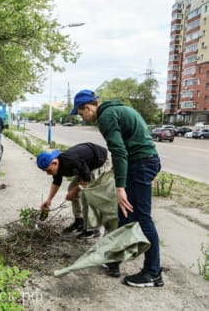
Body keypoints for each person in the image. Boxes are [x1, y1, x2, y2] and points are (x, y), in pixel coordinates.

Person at [71, 89, 164, 287]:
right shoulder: (116, 110)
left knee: (142, 218)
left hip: (140, 164)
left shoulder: (106, 116)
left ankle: (153, 273)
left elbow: (119, 152)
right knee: (123, 215)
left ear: (88, 107)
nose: (83, 118)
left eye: (81, 114)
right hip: (142, 162)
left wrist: (120, 187)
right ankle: (113, 260)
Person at [36, 143, 120, 277]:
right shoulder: (58, 166)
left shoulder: (71, 161)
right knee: (72, 189)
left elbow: (86, 179)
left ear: (55, 162)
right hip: (86, 166)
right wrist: (49, 200)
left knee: (88, 194)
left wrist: (75, 191)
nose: (48, 173)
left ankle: (93, 229)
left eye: (48, 170)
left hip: (100, 162)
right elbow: (56, 182)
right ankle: (80, 221)